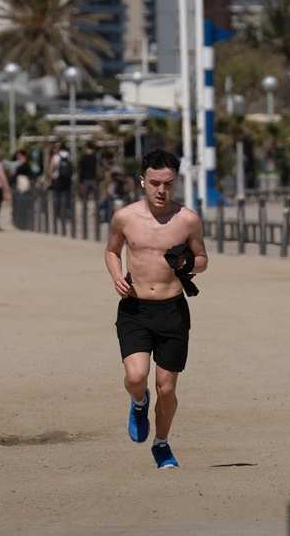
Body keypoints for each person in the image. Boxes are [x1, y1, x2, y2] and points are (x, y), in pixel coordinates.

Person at [104, 150, 208, 469]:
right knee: (137, 376)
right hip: (135, 309)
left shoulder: (187, 219)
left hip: (172, 311)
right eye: (154, 183)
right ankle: (138, 401)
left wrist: (187, 262)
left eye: (168, 184)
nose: (161, 190)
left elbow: (202, 260)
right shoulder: (125, 217)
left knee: (167, 388)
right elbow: (111, 250)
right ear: (142, 181)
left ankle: (161, 445)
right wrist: (116, 276)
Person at [52, 146, 74, 221]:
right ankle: (68, 212)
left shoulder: (56, 156)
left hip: (57, 179)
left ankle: (57, 214)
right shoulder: (69, 156)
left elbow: (52, 167)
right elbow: (72, 167)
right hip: (68, 179)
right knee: (68, 196)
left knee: (57, 196)